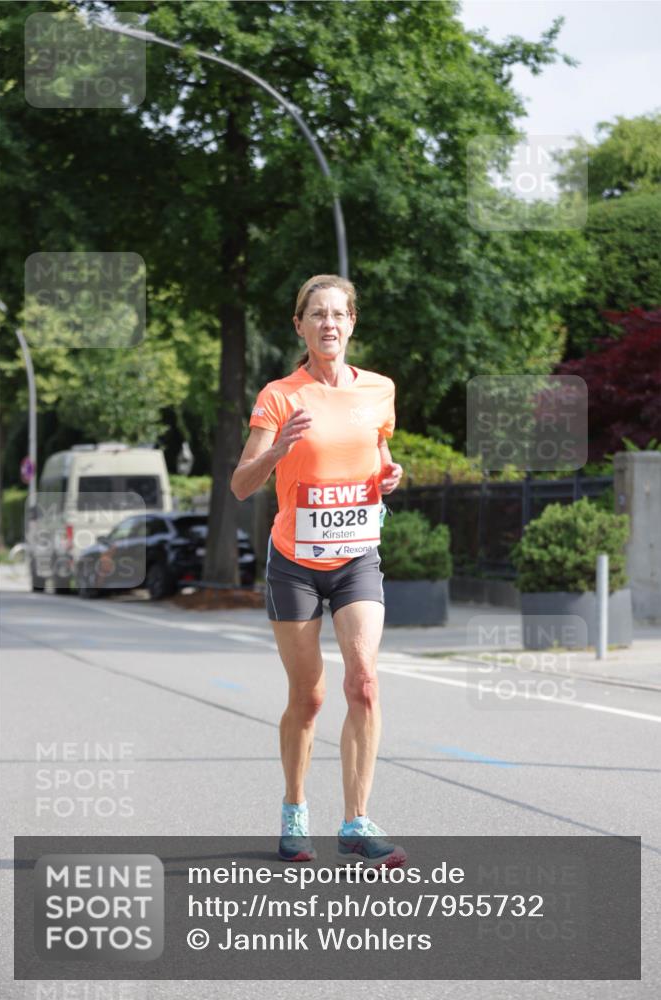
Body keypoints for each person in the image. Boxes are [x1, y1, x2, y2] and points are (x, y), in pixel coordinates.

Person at [231, 274, 405, 868]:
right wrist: (279, 450)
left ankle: (356, 822)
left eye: (339, 314)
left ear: (352, 322)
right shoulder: (280, 396)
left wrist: (388, 475)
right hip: (295, 566)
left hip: (357, 556)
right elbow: (241, 483)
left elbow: (377, 455)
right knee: (308, 698)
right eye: (316, 315)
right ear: (299, 325)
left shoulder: (378, 391)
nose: (329, 324)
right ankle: (295, 809)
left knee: (365, 683)